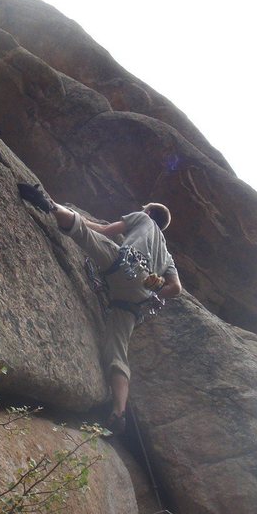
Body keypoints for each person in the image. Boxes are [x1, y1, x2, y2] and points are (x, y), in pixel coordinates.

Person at [18, 183, 182, 434]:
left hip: (126, 265)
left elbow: (105, 230)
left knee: (84, 233)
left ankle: (50, 205)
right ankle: (119, 411)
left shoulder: (142, 219)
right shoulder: (167, 256)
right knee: (118, 350)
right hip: (137, 297)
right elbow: (176, 288)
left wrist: (78, 218)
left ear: (148, 213)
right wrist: (155, 289)